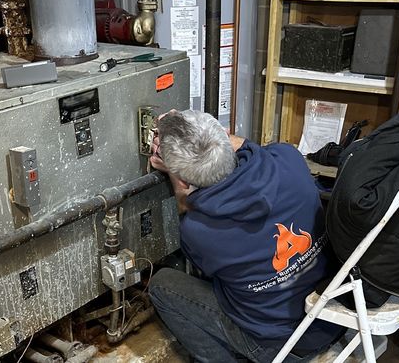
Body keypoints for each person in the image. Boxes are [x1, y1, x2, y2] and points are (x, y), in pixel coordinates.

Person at [147, 109, 344, 362]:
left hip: (277, 347)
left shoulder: (199, 231)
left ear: (183, 182)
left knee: (162, 285)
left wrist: (177, 171)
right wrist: (201, 137)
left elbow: (186, 204)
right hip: (330, 316)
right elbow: (248, 147)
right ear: (226, 135)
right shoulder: (289, 159)